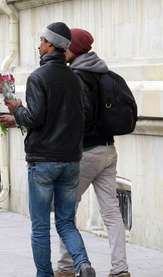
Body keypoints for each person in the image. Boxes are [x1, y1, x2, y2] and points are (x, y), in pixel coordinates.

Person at [0, 22, 95, 277]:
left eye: (41, 40)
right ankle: (83, 264)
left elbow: (34, 118)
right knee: (65, 222)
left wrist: (17, 107)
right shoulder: (75, 78)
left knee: (40, 227)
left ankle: (44, 274)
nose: (38, 45)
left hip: (43, 161)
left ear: (51, 44)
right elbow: (83, 115)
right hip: (71, 159)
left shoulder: (38, 77)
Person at [53, 28, 130, 277]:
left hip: (86, 152)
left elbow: (81, 117)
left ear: (74, 48)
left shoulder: (76, 76)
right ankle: (120, 269)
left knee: (66, 211)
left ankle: (65, 267)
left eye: (66, 45)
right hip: (108, 150)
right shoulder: (105, 73)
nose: (62, 50)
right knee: (111, 211)